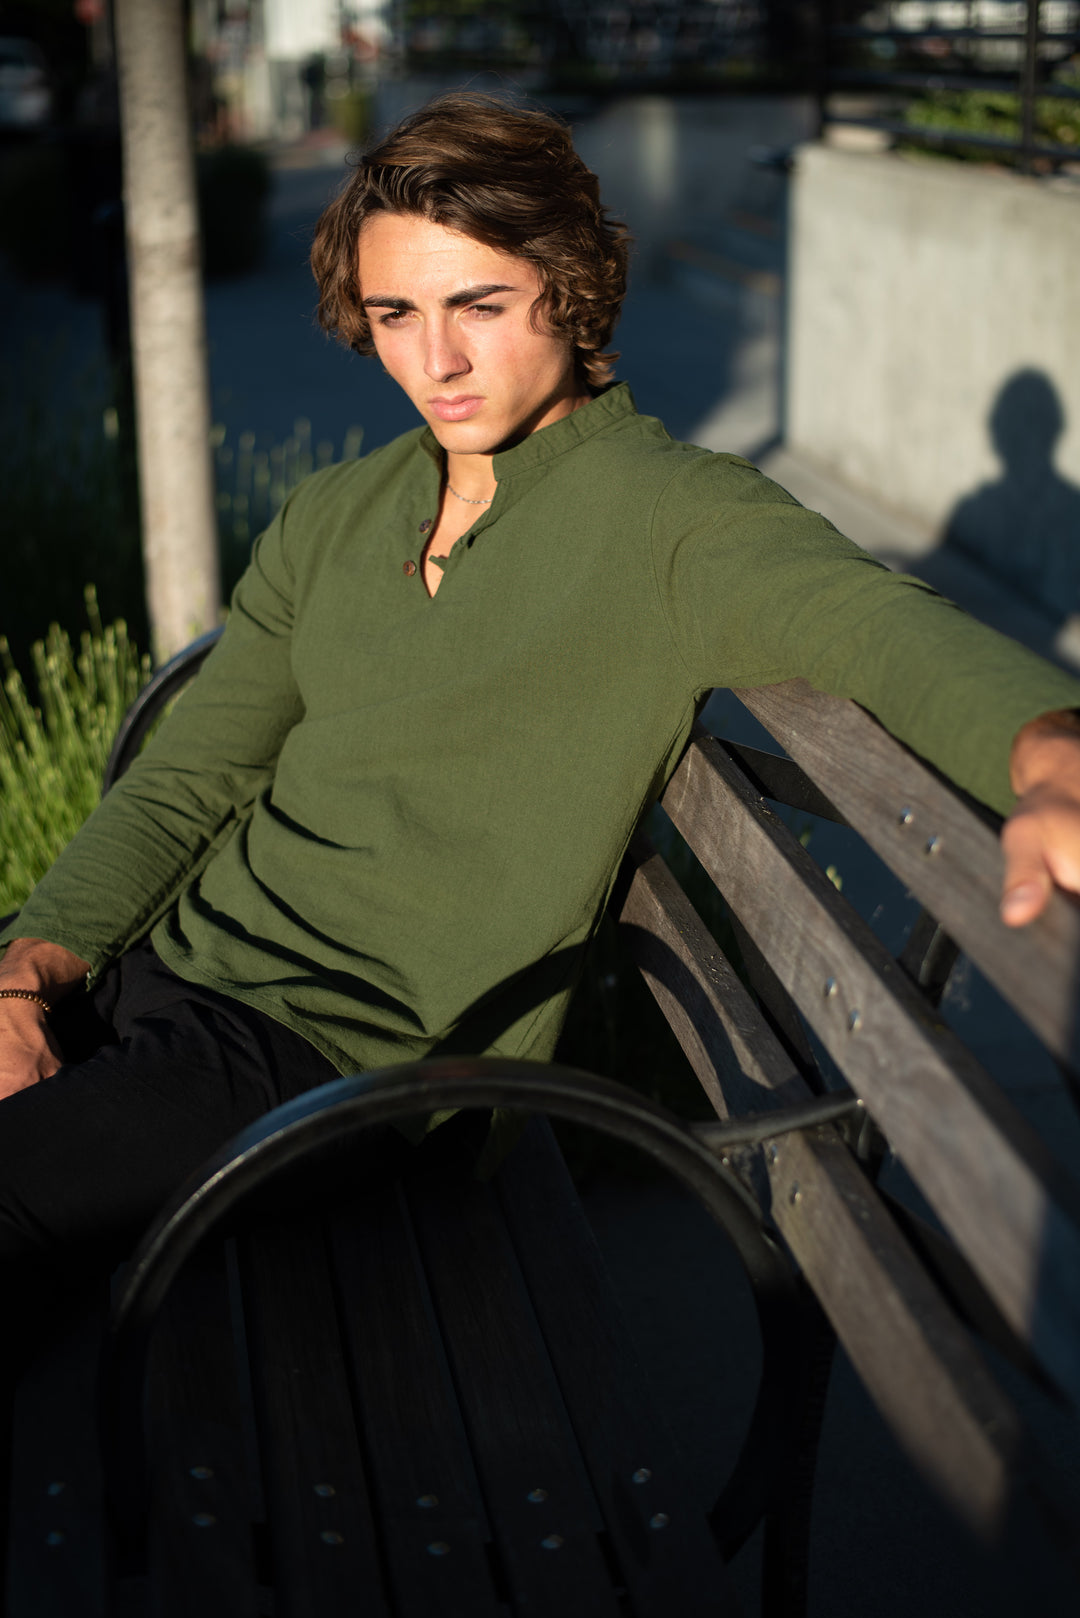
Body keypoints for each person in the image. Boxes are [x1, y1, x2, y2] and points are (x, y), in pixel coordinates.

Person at [2, 91, 1080, 1286]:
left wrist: (1049, 755)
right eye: (397, 313)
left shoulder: (674, 517)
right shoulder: (340, 511)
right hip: (174, 973)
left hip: (340, 1065)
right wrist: (31, 964)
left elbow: (881, 625)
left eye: (480, 305)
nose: (437, 359)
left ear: (570, 284)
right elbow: (193, 772)